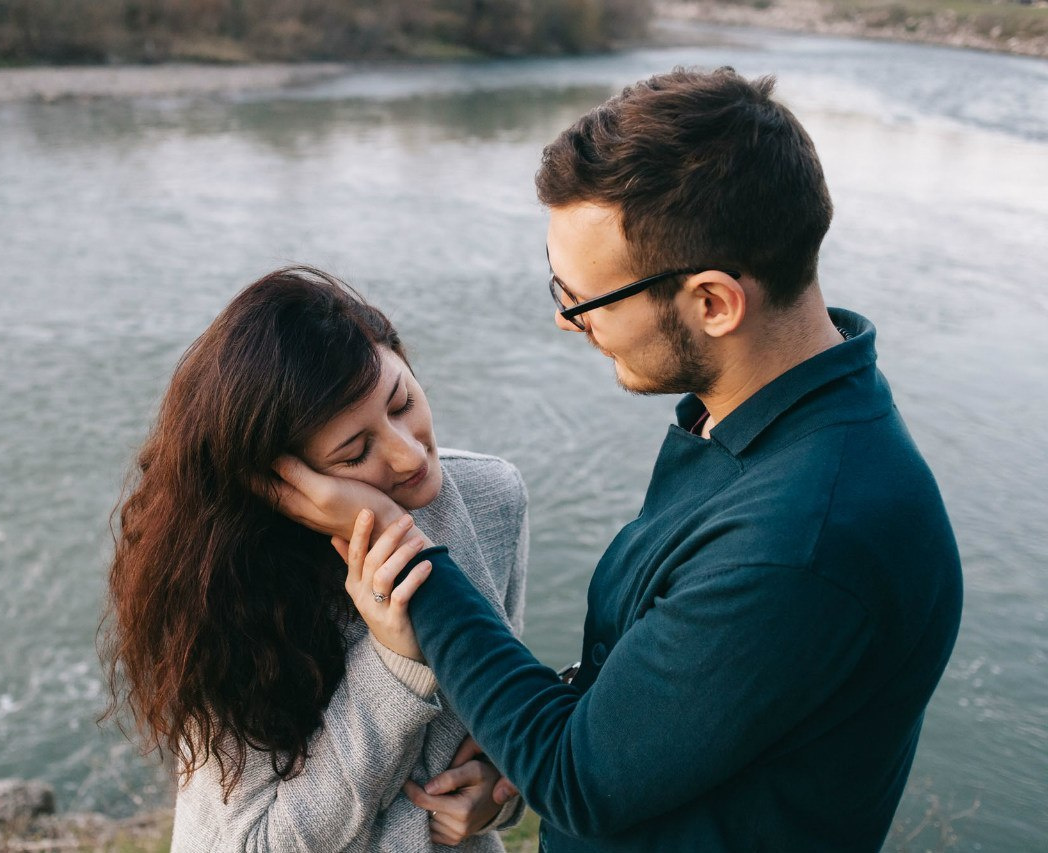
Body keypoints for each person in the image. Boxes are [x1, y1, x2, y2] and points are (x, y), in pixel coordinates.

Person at [272, 68, 964, 852]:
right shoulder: (760, 422)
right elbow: (688, 694)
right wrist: (517, 751)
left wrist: (403, 551)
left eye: (585, 299)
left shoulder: (805, 541)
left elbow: (576, 777)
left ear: (713, 302)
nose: (568, 321)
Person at [99, 266, 529, 852]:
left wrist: (498, 796)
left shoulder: (491, 497)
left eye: (402, 403)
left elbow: (507, 719)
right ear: (283, 479)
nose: (409, 455)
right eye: (355, 453)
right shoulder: (227, 582)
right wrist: (394, 663)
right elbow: (255, 843)